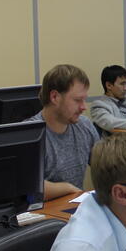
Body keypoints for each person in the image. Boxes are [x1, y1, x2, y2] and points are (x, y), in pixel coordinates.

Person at [27, 64, 100, 200]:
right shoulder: (30, 135)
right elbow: (27, 187)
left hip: (75, 206)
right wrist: (68, 188)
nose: (84, 107)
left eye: (84, 100)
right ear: (55, 97)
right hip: (45, 211)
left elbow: (105, 167)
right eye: (77, 100)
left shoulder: (84, 125)